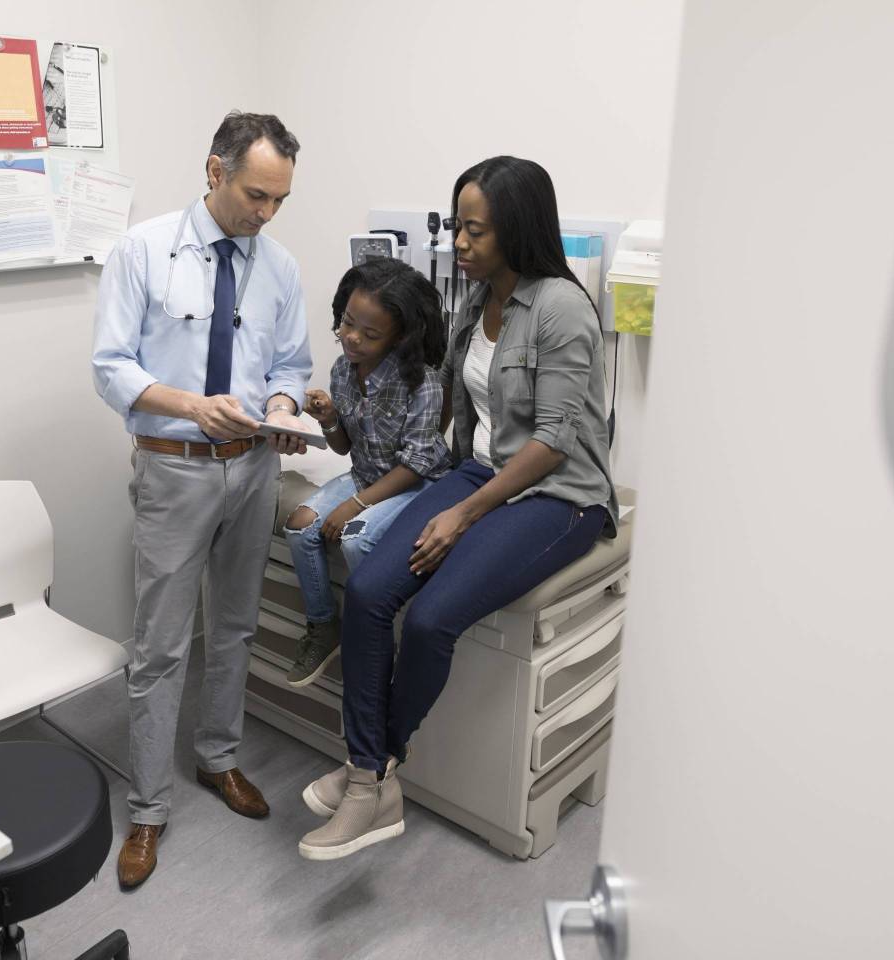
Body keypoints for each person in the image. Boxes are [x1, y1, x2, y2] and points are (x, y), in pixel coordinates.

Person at [297, 156, 619, 861]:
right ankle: (369, 776)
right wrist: (367, 433)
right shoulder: (477, 300)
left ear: (519, 230)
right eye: (458, 228)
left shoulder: (561, 309)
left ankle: (372, 773)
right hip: (484, 468)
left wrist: (461, 513)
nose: (460, 244)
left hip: (559, 495)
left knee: (436, 616)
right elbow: (446, 398)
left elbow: (556, 441)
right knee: (374, 589)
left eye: (476, 231)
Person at [92, 111, 313, 888]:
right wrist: (192, 405)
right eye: (257, 195)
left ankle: (218, 759)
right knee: (158, 648)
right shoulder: (144, 250)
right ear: (215, 172)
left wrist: (284, 410)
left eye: (280, 200)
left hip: (253, 470)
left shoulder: (279, 266)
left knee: (236, 627)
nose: (265, 214)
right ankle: (148, 809)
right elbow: (110, 366)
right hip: (175, 466)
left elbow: (291, 362)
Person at [282, 258, 449, 689]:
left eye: (370, 333)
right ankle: (324, 626)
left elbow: (414, 467)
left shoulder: (423, 383)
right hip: (367, 473)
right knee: (300, 525)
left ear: (400, 337)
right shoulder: (343, 370)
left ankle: (376, 638)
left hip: (415, 484)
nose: (351, 338)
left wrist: (356, 504)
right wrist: (329, 418)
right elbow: (344, 448)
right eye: (347, 322)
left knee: (357, 537)